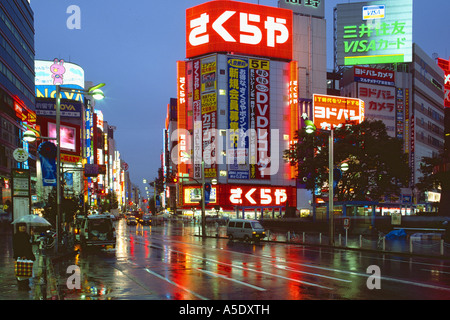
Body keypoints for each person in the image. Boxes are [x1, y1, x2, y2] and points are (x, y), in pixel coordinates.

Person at [13, 223, 36, 291]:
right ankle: (21, 286)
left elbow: (29, 246)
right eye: (21, 226)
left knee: (26, 271)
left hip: (27, 256)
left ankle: (26, 285)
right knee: (21, 271)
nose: (23, 227)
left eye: (24, 226)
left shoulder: (26, 235)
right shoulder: (16, 236)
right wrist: (21, 255)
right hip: (21, 256)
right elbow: (16, 247)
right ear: (18, 227)